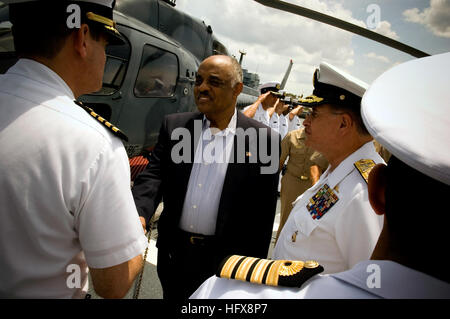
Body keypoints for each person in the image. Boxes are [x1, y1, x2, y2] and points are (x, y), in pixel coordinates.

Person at [190, 52, 450, 299]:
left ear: (343, 124)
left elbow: (369, 285)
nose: (305, 121)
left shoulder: (362, 190)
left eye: (314, 114)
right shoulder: (339, 170)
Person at [0, 0, 148, 298]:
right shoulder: (95, 143)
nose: (106, 57)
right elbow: (113, 284)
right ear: (81, 38)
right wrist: (139, 238)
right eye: (106, 44)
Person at [132, 55, 280, 300]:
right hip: (174, 256)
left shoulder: (265, 141)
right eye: (198, 81)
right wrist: (139, 212)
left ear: (237, 90)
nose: (201, 87)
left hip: (225, 264)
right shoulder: (175, 127)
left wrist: (253, 273)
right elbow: (154, 176)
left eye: (214, 82)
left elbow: (262, 215)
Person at [276, 128, 328, 242]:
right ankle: (278, 254)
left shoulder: (326, 140)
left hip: (313, 185)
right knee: (285, 221)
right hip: (292, 183)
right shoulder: (292, 136)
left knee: (308, 225)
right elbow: (278, 162)